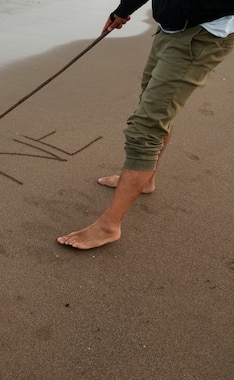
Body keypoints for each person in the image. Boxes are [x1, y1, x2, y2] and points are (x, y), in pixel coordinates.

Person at [57, 0, 234, 249]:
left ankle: (109, 226)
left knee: (146, 127)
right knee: (151, 106)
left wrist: (178, 9)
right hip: (169, 29)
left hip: (203, 35)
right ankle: (146, 179)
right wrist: (123, 9)